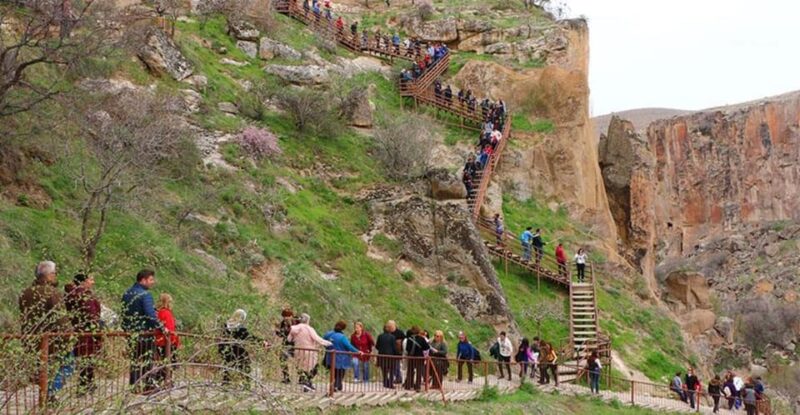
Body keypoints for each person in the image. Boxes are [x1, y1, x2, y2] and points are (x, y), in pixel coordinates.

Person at [20, 261, 72, 403]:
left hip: (31, 337)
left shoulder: (25, 292)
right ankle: (49, 393)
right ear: (48, 276)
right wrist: (69, 337)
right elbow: (60, 318)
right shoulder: (52, 292)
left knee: (43, 368)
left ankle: (46, 395)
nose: (55, 276)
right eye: (54, 274)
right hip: (52, 338)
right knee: (67, 364)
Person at [121, 269, 163, 394]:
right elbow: (150, 315)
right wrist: (161, 327)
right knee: (147, 360)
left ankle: (134, 386)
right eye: (151, 279)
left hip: (131, 332)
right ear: (143, 280)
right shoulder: (145, 295)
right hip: (145, 332)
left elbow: (123, 313)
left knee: (135, 360)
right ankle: (147, 386)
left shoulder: (126, 293)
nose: (153, 282)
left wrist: (126, 328)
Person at [64, 273, 102, 395]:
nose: (93, 282)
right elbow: (91, 316)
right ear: (83, 281)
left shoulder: (71, 295)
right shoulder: (84, 296)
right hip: (87, 331)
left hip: (78, 329)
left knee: (84, 359)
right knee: (88, 358)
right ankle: (84, 385)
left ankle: (87, 384)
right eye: (90, 279)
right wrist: (97, 332)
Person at [288, 313, 331, 391]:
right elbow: (317, 339)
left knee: (301, 367)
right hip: (310, 351)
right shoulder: (309, 329)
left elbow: (289, 339)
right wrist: (328, 343)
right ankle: (307, 383)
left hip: (298, 350)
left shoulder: (294, 328)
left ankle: (306, 383)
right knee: (313, 367)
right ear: (308, 320)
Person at [218, 309, 263, 385]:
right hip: (236, 349)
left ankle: (226, 381)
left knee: (227, 363)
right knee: (245, 361)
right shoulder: (241, 328)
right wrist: (261, 341)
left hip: (225, 348)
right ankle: (246, 382)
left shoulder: (225, 325)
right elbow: (249, 337)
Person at [324, 321, 361, 392]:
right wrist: (357, 351)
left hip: (331, 357)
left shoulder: (329, 335)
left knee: (335, 372)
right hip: (341, 358)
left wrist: (328, 348)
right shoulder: (342, 337)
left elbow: (324, 341)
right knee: (340, 373)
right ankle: (336, 386)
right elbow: (349, 346)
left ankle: (338, 386)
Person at [154, 293, 179, 387]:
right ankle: (163, 380)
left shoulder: (160, 312)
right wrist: (174, 341)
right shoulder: (166, 313)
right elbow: (169, 328)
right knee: (168, 363)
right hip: (167, 342)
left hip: (161, 341)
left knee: (165, 362)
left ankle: (165, 381)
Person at [403, 326, 430, 391]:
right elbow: (426, 347)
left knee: (410, 371)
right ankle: (417, 386)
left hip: (411, 357)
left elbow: (407, 349)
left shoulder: (409, 339)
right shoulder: (422, 339)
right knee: (419, 372)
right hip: (419, 357)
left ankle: (409, 385)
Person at [376, 323, 399, 388]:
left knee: (384, 370)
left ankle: (385, 383)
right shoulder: (392, 337)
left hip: (382, 356)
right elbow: (394, 347)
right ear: (390, 330)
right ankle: (391, 384)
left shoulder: (380, 336)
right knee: (391, 370)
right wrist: (397, 354)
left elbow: (377, 346)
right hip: (390, 356)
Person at [276, 308, 296, 384]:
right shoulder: (283, 323)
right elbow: (281, 334)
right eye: (284, 316)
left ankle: (302, 378)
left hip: (295, 345)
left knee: (299, 362)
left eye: (287, 316)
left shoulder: (295, 323)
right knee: (282, 359)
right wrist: (278, 332)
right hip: (286, 344)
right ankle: (286, 377)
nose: (285, 318)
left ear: (291, 316)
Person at [388, 320, 405, 384]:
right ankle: (397, 377)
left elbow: (404, 340)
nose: (389, 328)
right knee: (391, 366)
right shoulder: (388, 333)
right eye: (389, 326)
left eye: (390, 326)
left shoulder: (400, 332)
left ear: (394, 325)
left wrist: (399, 343)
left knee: (396, 365)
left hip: (397, 352)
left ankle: (399, 378)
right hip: (390, 352)